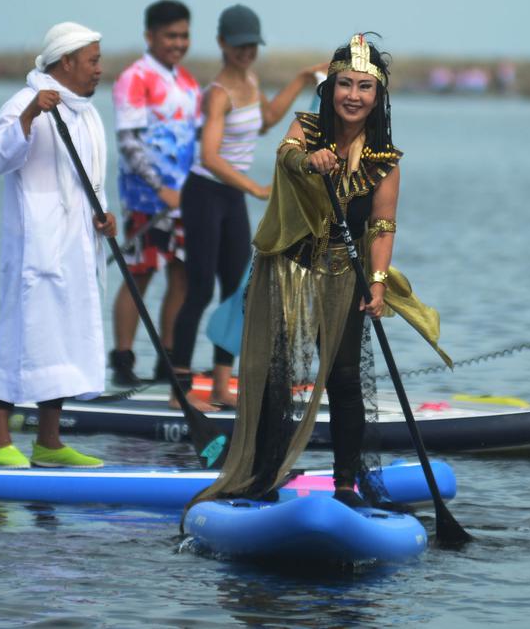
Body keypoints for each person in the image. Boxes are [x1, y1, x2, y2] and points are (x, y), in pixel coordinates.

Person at [188, 34, 450, 512]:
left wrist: (376, 283)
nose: (353, 95)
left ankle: (346, 482)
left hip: (343, 277)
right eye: (344, 84)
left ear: (378, 97)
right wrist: (309, 161)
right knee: (276, 377)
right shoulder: (306, 128)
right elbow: (285, 155)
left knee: (345, 378)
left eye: (364, 87)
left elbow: (383, 226)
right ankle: (263, 475)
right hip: (290, 271)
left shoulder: (385, 162)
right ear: (329, 89)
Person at [168, 4, 325, 408]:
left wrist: (303, 79)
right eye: (238, 45)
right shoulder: (217, 95)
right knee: (200, 290)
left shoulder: (251, 83)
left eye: (251, 45)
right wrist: (255, 188)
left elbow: (268, 119)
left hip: (231, 197)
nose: (245, 52)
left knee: (239, 292)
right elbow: (209, 156)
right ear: (222, 43)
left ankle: (221, 387)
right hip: (205, 195)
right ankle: (179, 392)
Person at [0, 22, 115, 468]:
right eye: (93, 61)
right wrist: (29, 117)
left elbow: (89, 180)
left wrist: (102, 214)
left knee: (62, 338)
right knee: (21, 334)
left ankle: (49, 443)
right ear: (66, 63)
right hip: (35, 246)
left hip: (76, 243)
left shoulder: (86, 114)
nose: (100, 69)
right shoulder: (25, 101)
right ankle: (2, 442)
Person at [107, 0, 209, 410]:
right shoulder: (134, 78)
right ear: (150, 36)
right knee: (140, 275)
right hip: (145, 199)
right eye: (170, 36)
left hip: (185, 201)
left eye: (184, 35)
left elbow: (199, 142)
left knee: (182, 278)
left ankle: (168, 360)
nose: (178, 43)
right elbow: (129, 143)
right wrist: (161, 188)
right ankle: (123, 360)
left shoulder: (188, 82)